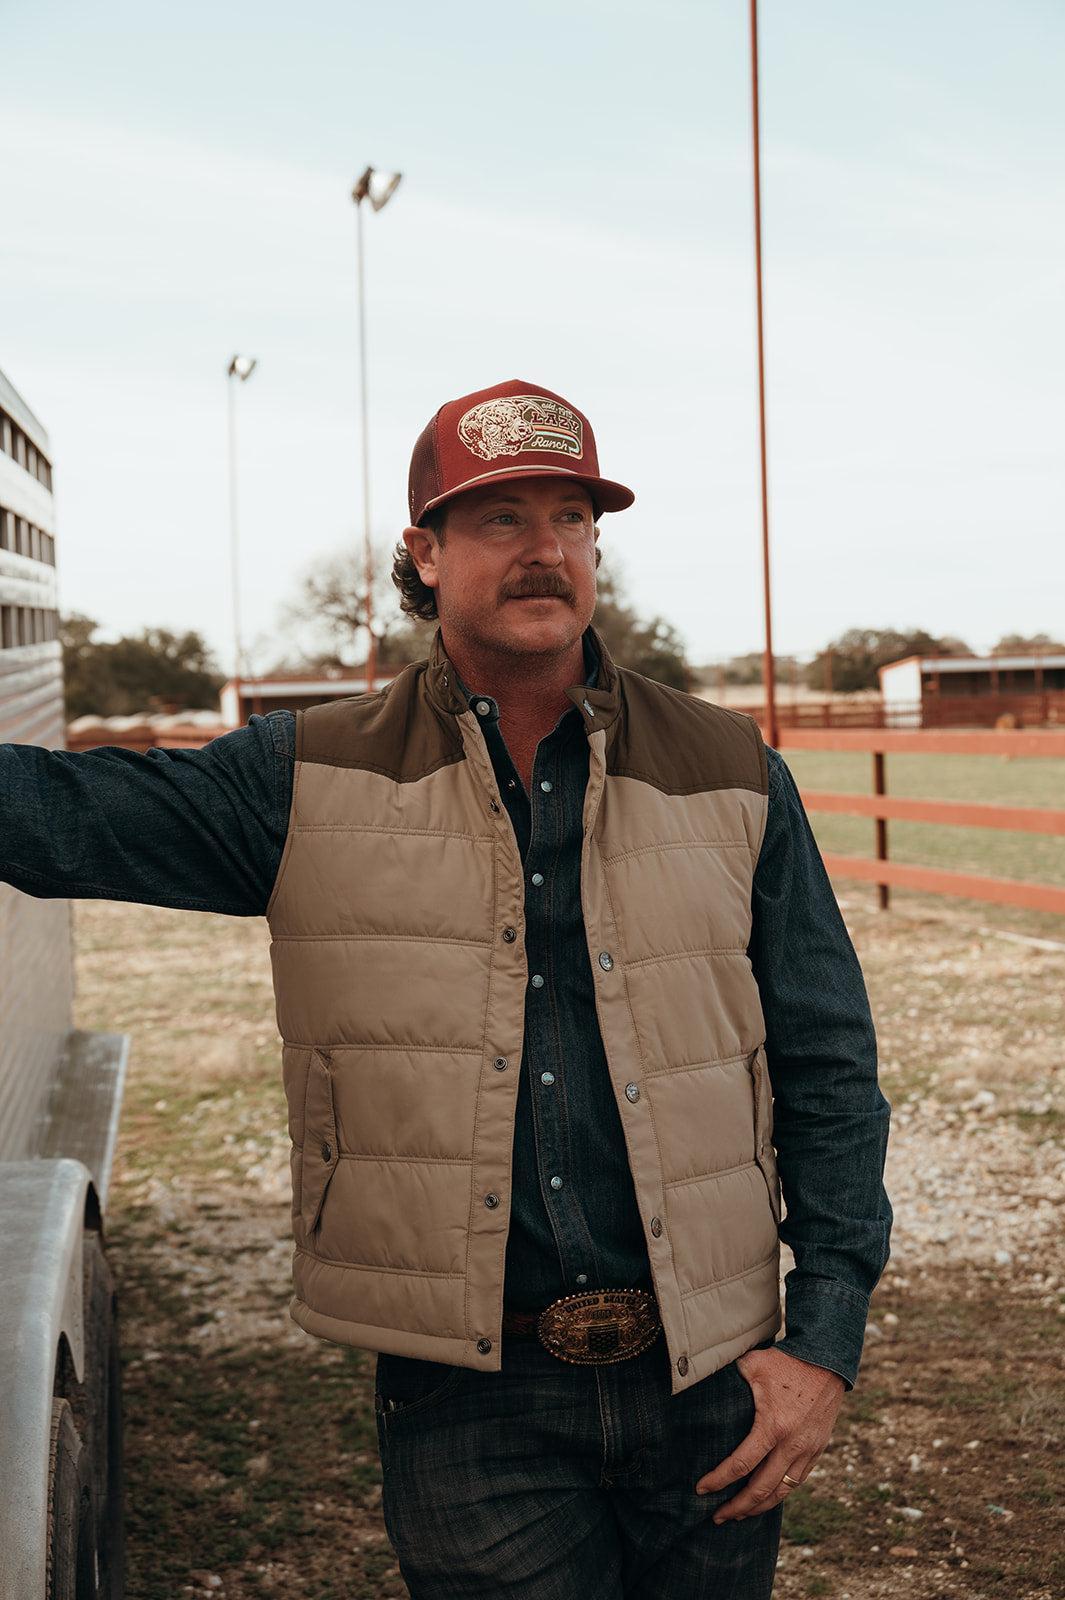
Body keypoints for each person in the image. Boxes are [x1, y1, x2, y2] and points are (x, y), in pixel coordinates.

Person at [1, 377, 891, 1597]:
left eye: (570, 518)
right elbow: (61, 814)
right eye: (500, 517)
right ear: (424, 552)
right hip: (469, 1398)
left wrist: (824, 1339)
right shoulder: (307, 776)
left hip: (710, 1374)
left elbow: (829, 1060)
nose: (544, 549)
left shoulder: (731, 770)